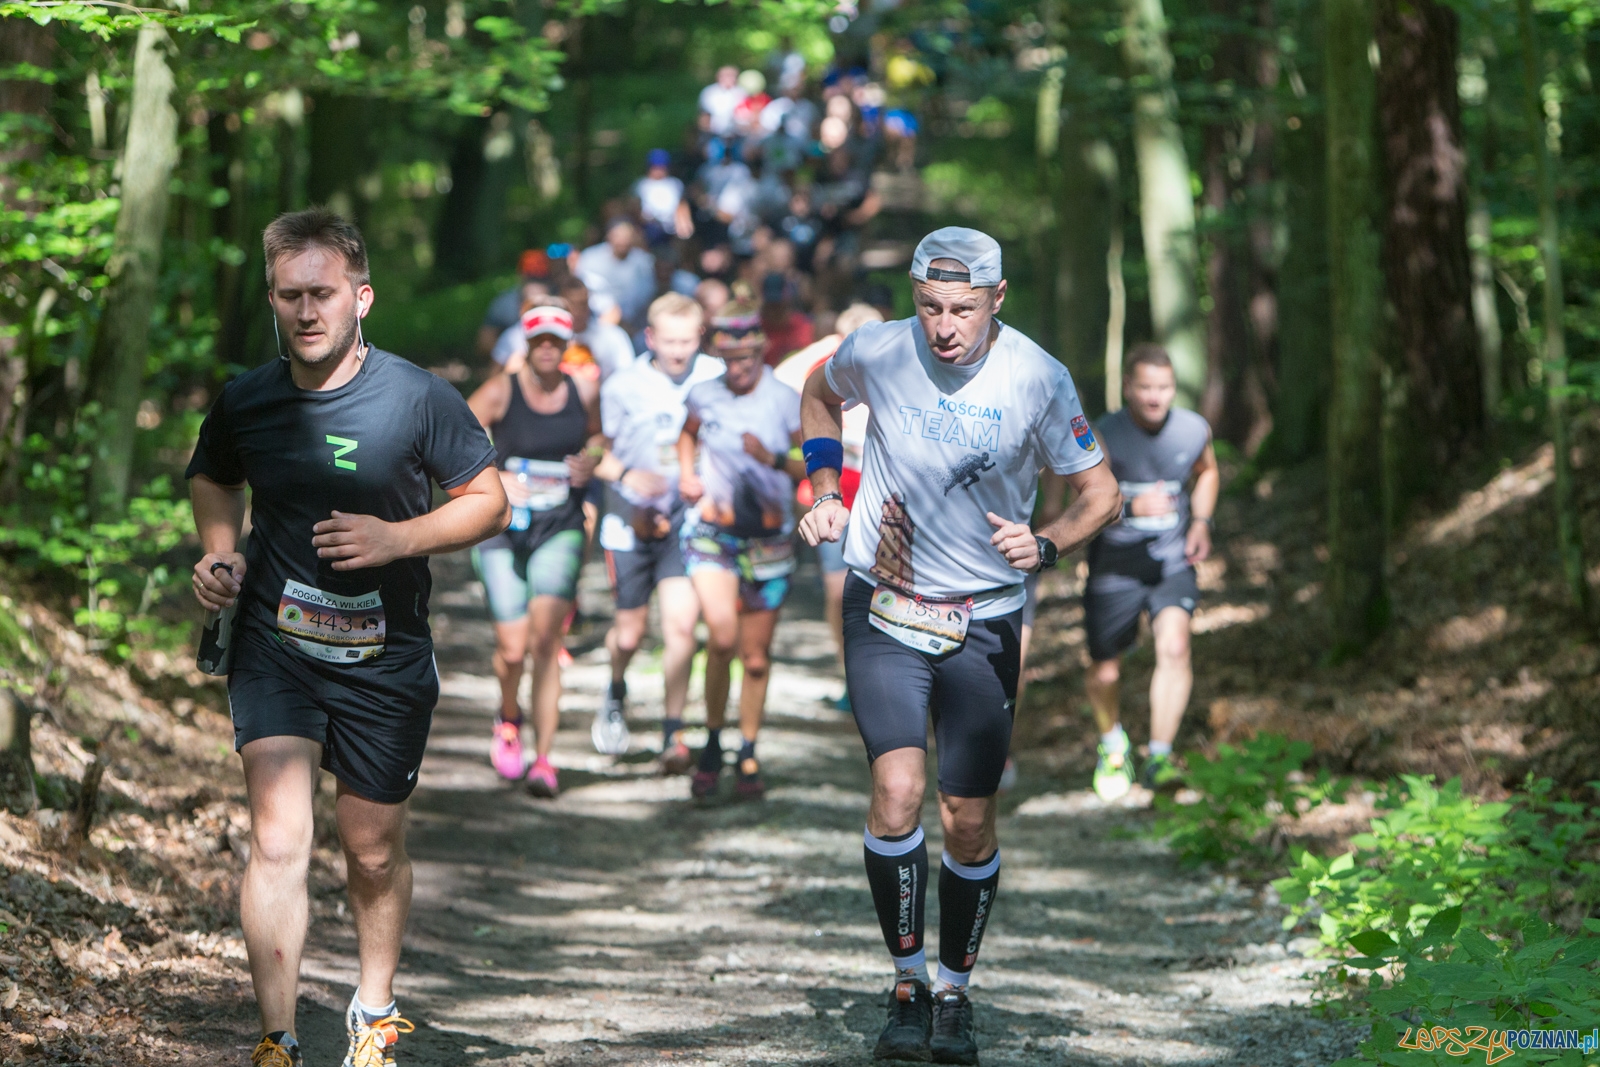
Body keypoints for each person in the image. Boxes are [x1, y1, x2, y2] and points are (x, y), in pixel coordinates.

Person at [187, 208, 509, 1067]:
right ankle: (279, 1036)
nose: (306, 311)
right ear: (271, 299)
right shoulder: (249, 399)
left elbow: (491, 502)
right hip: (276, 647)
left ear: (360, 297)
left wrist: (397, 538)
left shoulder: (418, 397)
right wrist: (219, 553)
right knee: (278, 838)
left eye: (322, 293)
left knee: (369, 850)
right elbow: (213, 475)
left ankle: (373, 1009)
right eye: (288, 295)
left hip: (384, 656)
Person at [797, 227, 1120, 1065]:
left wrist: (1046, 544)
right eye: (930, 306)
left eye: (963, 310)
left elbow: (1102, 494)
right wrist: (825, 489)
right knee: (897, 791)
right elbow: (817, 392)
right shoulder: (878, 349)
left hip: (984, 617)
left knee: (968, 820)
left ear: (997, 299)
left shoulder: (1038, 377)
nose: (944, 327)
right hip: (884, 604)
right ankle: (906, 983)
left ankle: (954, 991)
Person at [467, 302, 602, 798]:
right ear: (526, 344)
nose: (547, 348)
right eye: (539, 340)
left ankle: (544, 760)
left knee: (545, 642)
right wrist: (493, 475)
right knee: (512, 647)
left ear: (566, 345)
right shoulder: (503, 389)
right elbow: (456, 433)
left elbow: (599, 437)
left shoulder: (583, 390)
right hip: (502, 529)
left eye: (555, 341)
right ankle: (509, 718)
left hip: (560, 526)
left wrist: (592, 459)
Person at [676, 305, 804, 800]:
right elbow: (687, 434)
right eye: (728, 359)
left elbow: (812, 462)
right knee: (722, 637)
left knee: (754, 658)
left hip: (769, 539)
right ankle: (711, 741)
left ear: (761, 351)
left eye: (746, 358)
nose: (738, 368)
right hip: (713, 533)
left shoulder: (784, 399)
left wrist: (771, 458)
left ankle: (747, 749)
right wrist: (688, 476)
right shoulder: (703, 393)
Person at [591, 293, 725, 764]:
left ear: (700, 337)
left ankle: (673, 732)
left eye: (687, 341)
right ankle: (615, 689)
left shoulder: (714, 377)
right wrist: (628, 479)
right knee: (629, 635)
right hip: (627, 524)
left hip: (686, 522)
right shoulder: (623, 385)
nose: (678, 351)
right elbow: (594, 451)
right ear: (649, 337)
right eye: (669, 341)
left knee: (681, 626)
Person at [1083, 343, 1218, 801]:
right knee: (1104, 673)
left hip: (1171, 561)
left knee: (1175, 646)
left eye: (1164, 387)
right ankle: (1112, 745)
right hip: (1114, 565)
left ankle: (1159, 755)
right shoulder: (1104, 433)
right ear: (1128, 387)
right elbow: (1085, 495)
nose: (1155, 397)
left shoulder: (1192, 430)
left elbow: (1207, 472)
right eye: (1145, 387)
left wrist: (1201, 521)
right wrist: (1128, 507)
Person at [772, 302, 883, 707]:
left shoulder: (896, 376)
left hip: (883, 504)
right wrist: (828, 345)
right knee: (839, 594)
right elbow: (781, 377)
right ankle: (848, 675)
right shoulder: (829, 369)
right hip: (835, 499)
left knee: (881, 591)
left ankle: (882, 678)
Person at [577, 219, 656, 333]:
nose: (622, 241)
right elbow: (583, 291)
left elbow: (647, 293)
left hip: (636, 325)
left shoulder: (643, 261)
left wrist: (626, 318)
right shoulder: (590, 258)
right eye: (618, 236)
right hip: (596, 323)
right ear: (608, 235)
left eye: (627, 237)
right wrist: (611, 313)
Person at [478, 249, 550, 357]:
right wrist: (511, 352)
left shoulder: (558, 299)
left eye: (539, 277)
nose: (534, 283)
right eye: (531, 276)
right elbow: (484, 343)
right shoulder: (504, 304)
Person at [635, 148, 692, 246]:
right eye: (655, 167)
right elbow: (635, 208)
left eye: (662, 167)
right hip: (649, 226)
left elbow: (682, 205)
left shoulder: (675, 183)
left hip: (672, 227)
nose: (659, 170)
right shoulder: (641, 185)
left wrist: (685, 223)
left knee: (687, 238)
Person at [759, 272, 814, 366]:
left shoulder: (803, 326)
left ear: (787, 301)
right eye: (771, 305)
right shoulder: (756, 329)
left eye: (779, 304)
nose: (775, 310)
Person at [698, 65, 747, 139]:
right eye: (727, 75)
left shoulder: (742, 93)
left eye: (732, 76)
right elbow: (704, 114)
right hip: (714, 134)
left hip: (738, 134)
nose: (730, 78)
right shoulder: (709, 92)